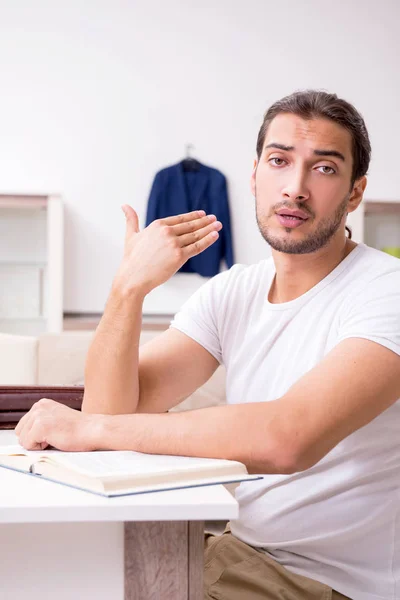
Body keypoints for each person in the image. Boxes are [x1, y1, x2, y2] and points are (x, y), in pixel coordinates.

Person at [16, 90, 400, 600]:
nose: (296, 188)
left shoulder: (385, 290)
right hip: (232, 549)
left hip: (322, 581)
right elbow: (114, 409)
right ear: (255, 176)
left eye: (325, 169)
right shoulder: (232, 290)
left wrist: (91, 427)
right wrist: (127, 289)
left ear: (355, 193)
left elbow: (289, 439)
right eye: (279, 161)